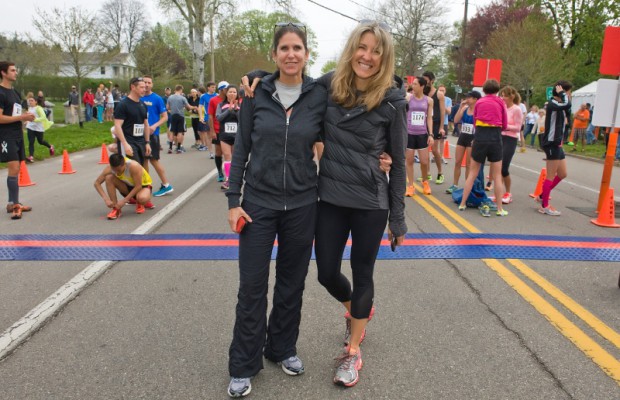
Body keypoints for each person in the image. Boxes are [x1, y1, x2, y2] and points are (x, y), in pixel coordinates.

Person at [225, 23, 327, 398]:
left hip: (302, 204)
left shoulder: (319, 94)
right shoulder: (256, 93)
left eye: (297, 47)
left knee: (291, 283)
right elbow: (240, 151)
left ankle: (282, 347)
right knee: (252, 286)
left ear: (306, 53)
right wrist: (233, 201)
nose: (291, 54)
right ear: (274, 55)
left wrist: (381, 154)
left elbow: (350, 123)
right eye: (284, 48)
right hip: (258, 205)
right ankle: (242, 364)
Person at [313, 20, 406, 388]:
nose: (367, 57)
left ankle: (352, 352)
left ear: (384, 60)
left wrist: (397, 219)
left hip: (371, 201)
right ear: (353, 49)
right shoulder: (328, 86)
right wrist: (261, 75)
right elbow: (291, 83)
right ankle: (356, 309)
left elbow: (397, 164)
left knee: (363, 270)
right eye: (362, 48)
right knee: (325, 273)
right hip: (331, 197)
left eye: (376, 52)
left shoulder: (392, 102)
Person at [458, 79, 509, 216]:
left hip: (480, 136)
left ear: (484, 90)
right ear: (497, 90)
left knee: (473, 172)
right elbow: (505, 123)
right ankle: (499, 209)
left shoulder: (479, 102)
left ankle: (462, 204)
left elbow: (475, 120)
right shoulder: (500, 102)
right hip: (495, 137)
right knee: (497, 175)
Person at [0, 61, 35, 220]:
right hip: (6, 135)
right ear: (3, 73)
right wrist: (21, 117)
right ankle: (14, 205)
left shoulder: (15, 93)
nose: (16, 73)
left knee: (18, 168)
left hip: (18, 134)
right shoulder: (1, 93)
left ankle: (13, 202)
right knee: (13, 168)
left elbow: (16, 113)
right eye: (12, 70)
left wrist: (25, 118)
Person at [539, 81, 572, 216]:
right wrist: (562, 93)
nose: (569, 95)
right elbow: (567, 103)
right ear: (561, 91)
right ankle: (545, 205)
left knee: (563, 174)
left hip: (558, 143)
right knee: (550, 176)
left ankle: (542, 195)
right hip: (551, 143)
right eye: (568, 92)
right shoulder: (552, 103)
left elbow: (567, 113)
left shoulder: (559, 105)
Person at [93, 153, 154, 220]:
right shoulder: (109, 168)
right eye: (114, 170)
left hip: (142, 187)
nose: (116, 172)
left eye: (118, 170)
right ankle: (116, 209)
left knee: (142, 198)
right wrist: (106, 199)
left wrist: (124, 201)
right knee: (109, 177)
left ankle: (140, 202)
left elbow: (138, 186)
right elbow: (97, 183)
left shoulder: (134, 166)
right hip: (128, 187)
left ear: (124, 164)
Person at [141, 76, 173, 197]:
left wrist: (154, 126)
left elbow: (165, 116)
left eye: (149, 83)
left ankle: (166, 184)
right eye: (144, 82)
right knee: (144, 161)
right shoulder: (138, 98)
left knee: (154, 160)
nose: (147, 84)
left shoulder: (157, 98)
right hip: (139, 134)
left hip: (152, 134)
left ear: (152, 85)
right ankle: (147, 185)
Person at [446, 90, 480, 194]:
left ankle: (467, 186)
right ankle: (455, 185)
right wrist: (460, 108)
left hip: (472, 138)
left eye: (469, 98)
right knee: (457, 162)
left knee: (469, 165)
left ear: (475, 99)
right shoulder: (465, 109)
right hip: (462, 137)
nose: (467, 100)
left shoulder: (478, 110)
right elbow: (456, 120)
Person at [405, 76, 434, 196]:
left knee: (424, 161)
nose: (413, 86)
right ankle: (411, 186)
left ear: (422, 86)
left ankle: (425, 181)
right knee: (410, 161)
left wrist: (431, 134)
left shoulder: (428, 101)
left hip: (422, 134)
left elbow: (429, 118)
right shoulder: (408, 98)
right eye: (413, 84)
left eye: (416, 84)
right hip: (409, 133)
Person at [113, 77, 151, 167]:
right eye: (141, 87)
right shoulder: (123, 105)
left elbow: (146, 125)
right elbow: (117, 126)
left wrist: (147, 143)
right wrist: (125, 144)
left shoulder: (143, 105)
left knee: (142, 168)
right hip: (128, 142)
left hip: (141, 142)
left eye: (145, 87)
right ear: (133, 87)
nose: (144, 90)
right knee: (132, 170)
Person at [498, 85, 523, 204]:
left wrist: (505, 126)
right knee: (496, 167)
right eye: (501, 96)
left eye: (505, 96)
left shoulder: (517, 109)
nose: (502, 98)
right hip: (500, 137)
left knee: (504, 167)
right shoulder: (502, 107)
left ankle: (508, 192)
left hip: (510, 138)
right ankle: (498, 192)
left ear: (511, 96)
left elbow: (518, 128)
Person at [215, 84, 241, 190]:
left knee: (235, 158)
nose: (232, 94)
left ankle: (235, 179)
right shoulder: (221, 105)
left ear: (237, 94)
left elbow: (242, 119)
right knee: (227, 156)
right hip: (224, 135)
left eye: (234, 92)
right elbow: (219, 118)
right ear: (226, 93)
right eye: (230, 91)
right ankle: (228, 179)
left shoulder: (241, 105)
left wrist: (235, 110)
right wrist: (228, 110)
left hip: (237, 135)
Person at [422, 71, 446, 184]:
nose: (425, 82)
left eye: (426, 80)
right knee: (424, 150)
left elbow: (442, 112)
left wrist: (442, 127)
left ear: (432, 80)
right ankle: (427, 174)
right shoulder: (423, 93)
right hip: (424, 123)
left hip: (436, 123)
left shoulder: (439, 94)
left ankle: (440, 173)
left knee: (435, 150)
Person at [208, 81, 229, 181]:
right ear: (221, 90)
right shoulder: (213, 100)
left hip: (229, 130)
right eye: (226, 89)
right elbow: (210, 116)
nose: (228, 91)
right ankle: (220, 171)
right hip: (217, 129)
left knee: (228, 153)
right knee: (218, 152)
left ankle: (229, 174)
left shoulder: (231, 99)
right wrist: (212, 131)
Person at [166, 85, 196, 154]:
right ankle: (179, 148)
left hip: (173, 116)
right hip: (181, 116)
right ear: (181, 90)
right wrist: (194, 107)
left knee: (172, 131)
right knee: (180, 132)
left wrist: (172, 109)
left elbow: (167, 107)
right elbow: (188, 107)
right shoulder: (182, 98)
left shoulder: (170, 97)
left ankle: (170, 148)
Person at [25, 96, 54, 163]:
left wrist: (35, 120)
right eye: (29, 101)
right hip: (30, 127)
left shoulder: (39, 108)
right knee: (31, 142)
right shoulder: (29, 108)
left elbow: (43, 117)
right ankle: (31, 156)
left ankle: (50, 146)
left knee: (40, 141)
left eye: (32, 100)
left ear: (36, 102)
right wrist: (27, 121)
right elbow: (30, 117)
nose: (30, 102)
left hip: (38, 128)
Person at [199, 82, 217, 157]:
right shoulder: (204, 96)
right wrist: (201, 117)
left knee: (217, 136)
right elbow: (200, 107)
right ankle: (211, 152)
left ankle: (217, 151)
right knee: (209, 136)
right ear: (208, 88)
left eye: (214, 87)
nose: (214, 88)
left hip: (217, 118)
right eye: (212, 87)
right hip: (208, 118)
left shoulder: (217, 95)